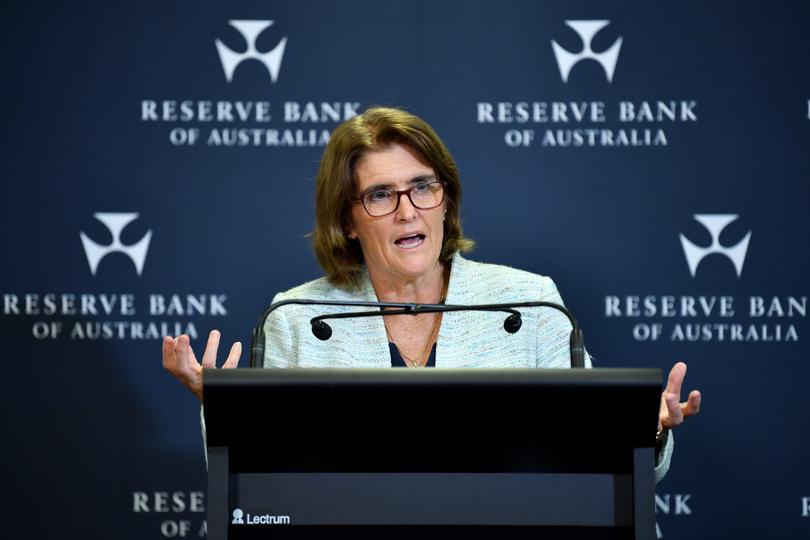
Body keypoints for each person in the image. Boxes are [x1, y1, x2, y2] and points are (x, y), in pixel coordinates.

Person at [162, 106, 701, 481]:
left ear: (445, 198)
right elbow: (255, 482)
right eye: (379, 195)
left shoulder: (531, 301)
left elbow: (603, 465)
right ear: (347, 220)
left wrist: (644, 433)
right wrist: (226, 409)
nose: (407, 210)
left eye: (422, 186)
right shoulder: (296, 317)